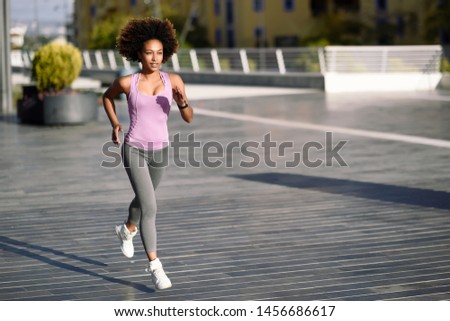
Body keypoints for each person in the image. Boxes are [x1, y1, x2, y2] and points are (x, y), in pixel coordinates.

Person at [102, 17, 193, 290]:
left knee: (144, 201)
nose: (155, 58)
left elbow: (189, 117)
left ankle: (127, 228)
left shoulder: (173, 80)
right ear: (139, 54)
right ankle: (155, 267)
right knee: (150, 206)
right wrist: (115, 123)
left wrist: (182, 101)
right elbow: (107, 97)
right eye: (149, 53)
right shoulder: (128, 82)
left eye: (160, 53)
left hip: (160, 151)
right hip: (134, 149)